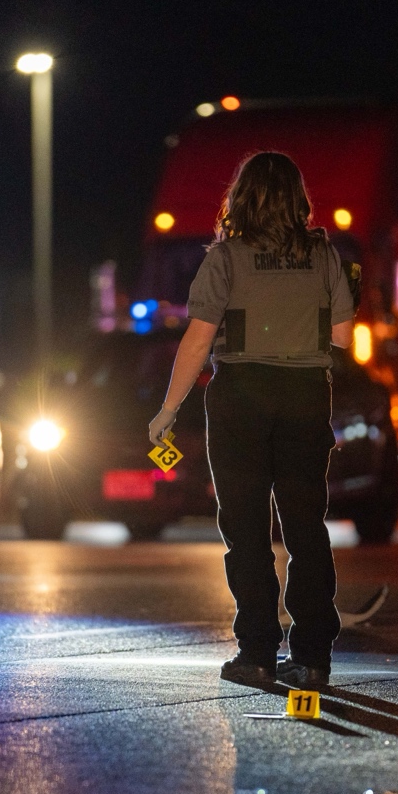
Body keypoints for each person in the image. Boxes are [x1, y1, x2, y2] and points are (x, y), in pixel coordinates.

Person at [148, 151, 354, 689]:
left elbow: (196, 341)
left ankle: (257, 652)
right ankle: (312, 657)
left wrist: (169, 410)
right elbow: (343, 339)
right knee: (306, 526)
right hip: (307, 394)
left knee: (246, 530)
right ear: (297, 198)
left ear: (241, 197)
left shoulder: (227, 258)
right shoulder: (323, 255)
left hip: (240, 395)